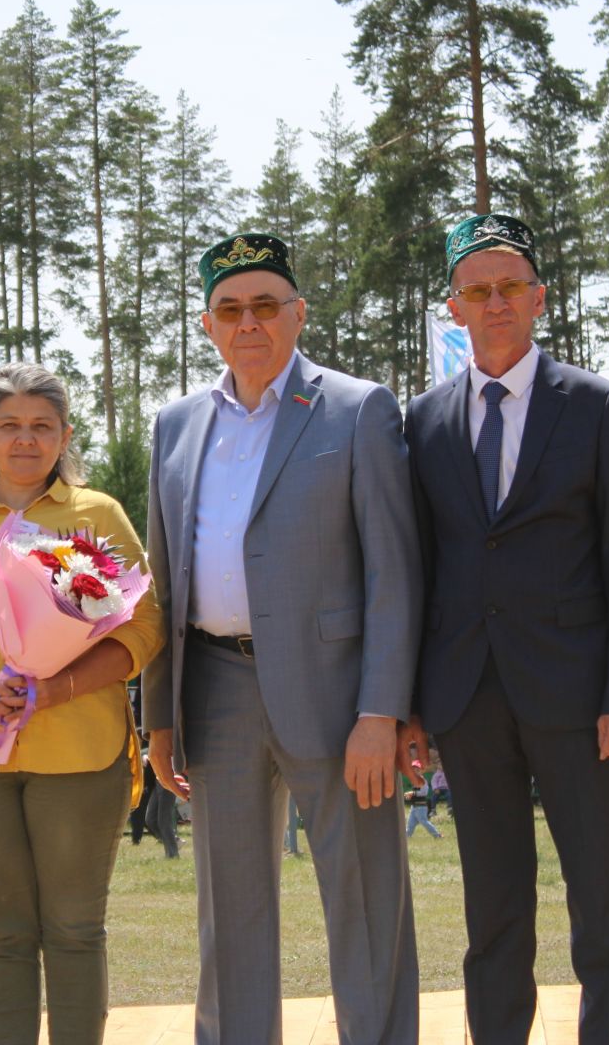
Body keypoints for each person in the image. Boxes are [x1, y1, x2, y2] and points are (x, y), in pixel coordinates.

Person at [143, 233, 423, 1045]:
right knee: (230, 914)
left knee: (366, 904)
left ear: (298, 314)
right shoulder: (175, 425)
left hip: (339, 699)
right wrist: (160, 719)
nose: (250, 322)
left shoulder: (357, 407)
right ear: (207, 326)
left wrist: (382, 709)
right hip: (214, 692)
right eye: (230, 309)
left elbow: (393, 573)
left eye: (267, 305)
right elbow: (165, 580)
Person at [401, 213, 609, 1045]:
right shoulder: (425, 419)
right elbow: (421, 569)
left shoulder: (594, 404)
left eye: (510, 286)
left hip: (579, 698)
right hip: (466, 697)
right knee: (494, 908)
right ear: (454, 307)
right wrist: (412, 704)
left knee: (601, 905)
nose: (496, 301)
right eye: (478, 291)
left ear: (539, 299)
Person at [0, 364, 165, 1045]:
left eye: (41, 426)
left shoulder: (98, 515)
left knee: (76, 931)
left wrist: (56, 689)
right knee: (0, 934)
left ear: (64, 435)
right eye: (10, 426)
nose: (25, 440)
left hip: (81, 754)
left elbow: (143, 627)